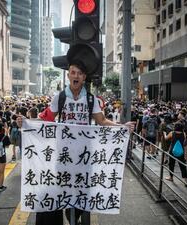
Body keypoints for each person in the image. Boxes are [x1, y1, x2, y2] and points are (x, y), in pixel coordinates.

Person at [35, 61, 135, 225]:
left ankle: (73, 212)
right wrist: (25, 122)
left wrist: (121, 126)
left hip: (84, 156)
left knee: (84, 191)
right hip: (64, 156)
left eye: (79, 73)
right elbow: (46, 118)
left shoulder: (91, 99)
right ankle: (68, 210)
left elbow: (102, 121)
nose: (76, 76)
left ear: (84, 78)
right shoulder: (59, 98)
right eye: (73, 72)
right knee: (62, 188)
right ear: (68, 76)